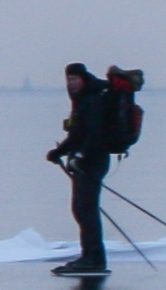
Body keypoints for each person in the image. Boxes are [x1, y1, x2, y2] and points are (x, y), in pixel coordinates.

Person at [45, 62, 120, 273]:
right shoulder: (83, 100)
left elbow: (93, 135)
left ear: (84, 79)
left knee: (86, 210)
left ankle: (94, 259)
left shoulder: (92, 100)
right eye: (69, 79)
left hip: (93, 162)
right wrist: (59, 152)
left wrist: (82, 158)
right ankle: (89, 256)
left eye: (75, 79)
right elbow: (77, 134)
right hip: (85, 161)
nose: (72, 83)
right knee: (82, 209)